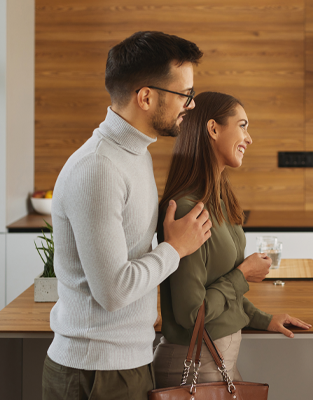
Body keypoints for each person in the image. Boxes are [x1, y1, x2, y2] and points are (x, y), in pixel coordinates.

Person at [43, 31, 213, 400]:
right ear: (147, 97)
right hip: (95, 372)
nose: (191, 104)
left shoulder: (135, 154)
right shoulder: (99, 168)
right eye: (185, 94)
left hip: (125, 362)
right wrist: (175, 249)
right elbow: (113, 290)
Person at [153, 91, 312, 388]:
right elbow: (192, 313)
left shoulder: (219, 200)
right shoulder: (188, 210)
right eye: (242, 125)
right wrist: (243, 274)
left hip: (216, 364)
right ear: (213, 129)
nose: (249, 138)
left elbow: (222, 289)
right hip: (196, 367)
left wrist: (264, 318)